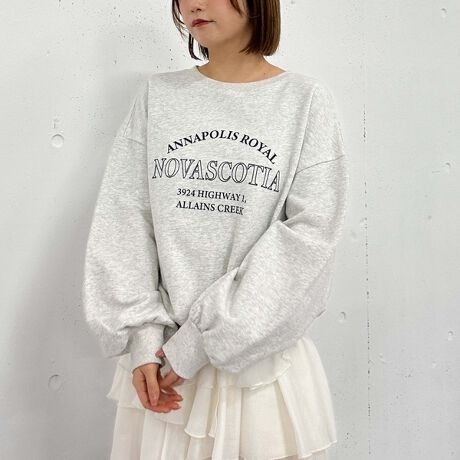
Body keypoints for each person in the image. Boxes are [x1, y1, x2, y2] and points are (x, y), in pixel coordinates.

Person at [81, 0, 349, 458]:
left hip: (256, 373)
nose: (195, 5)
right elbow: (125, 219)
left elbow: (309, 241)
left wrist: (199, 344)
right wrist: (142, 340)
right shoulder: (159, 97)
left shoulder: (304, 101)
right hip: (161, 372)